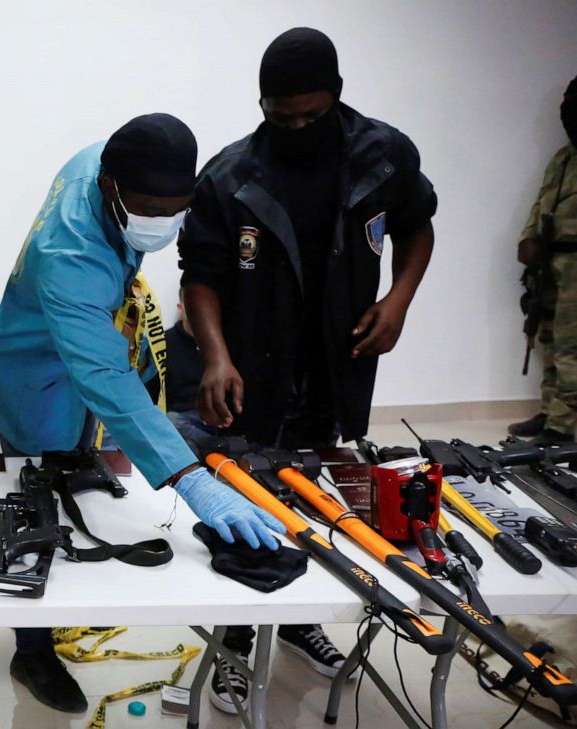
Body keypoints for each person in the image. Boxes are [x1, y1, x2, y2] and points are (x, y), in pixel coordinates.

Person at [0, 113, 286, 714]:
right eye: (148, 209)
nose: (162, 223)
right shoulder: (68, 252)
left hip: (88, 337)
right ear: (111, 190)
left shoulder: (105, 158)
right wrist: (192, 477)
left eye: (175, 209)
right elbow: (102, 377)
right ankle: (32, 649)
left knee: (88, 497)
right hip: (36, 374)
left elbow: (103, 365)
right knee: (35, 511)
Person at [178, 28, 437, 713]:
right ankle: (235, 640)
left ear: (338, 97)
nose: (295, 126)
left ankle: (294, 619)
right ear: (261, 103)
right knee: (246, 507)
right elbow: (199, 274)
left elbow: (418, 224)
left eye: (311, 115)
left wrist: (398, 300)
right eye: (279, 113)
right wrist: (215, 354)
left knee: (316, 500)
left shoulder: (384, 156)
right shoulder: (231, 175)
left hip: (336, 363)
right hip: (251, 368)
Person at [510, 76, 577, 444]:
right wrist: (528, 240)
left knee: (570, 346)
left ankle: (562, 427)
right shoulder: (564, 157)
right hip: (552, 264)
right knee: (550, 340)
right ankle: (552, 410)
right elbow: (542, 203)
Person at [162, 291, 215, 444]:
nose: (197, 310)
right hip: (183, 417)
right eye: (191, 304)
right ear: (181, 307)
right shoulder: (165, 343)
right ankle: (213, 445)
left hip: (221, 415)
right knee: (170, 420)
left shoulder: (222, 343)